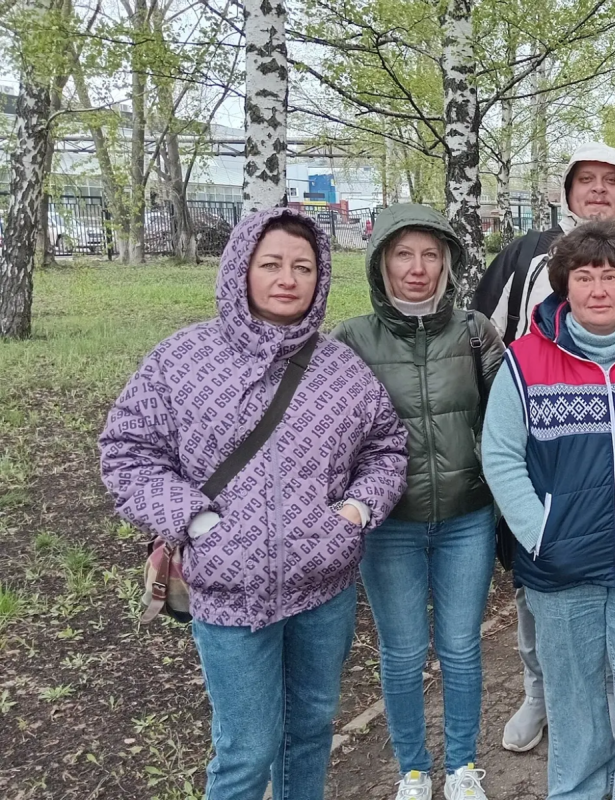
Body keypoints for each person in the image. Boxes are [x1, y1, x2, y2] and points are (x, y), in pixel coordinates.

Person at [99, 208, 408, 800]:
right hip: (228, 594)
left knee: (310, 731)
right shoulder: (181, 360)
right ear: (241, 267)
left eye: (303, 267)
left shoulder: (342, 370)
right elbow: (127, 454)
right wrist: (198, 521)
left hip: (324, 591)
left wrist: (355, 514)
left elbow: (386, 449)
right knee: (247, 749)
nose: (287, 279)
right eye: (271, 264)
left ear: (321, 277)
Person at [472, 141, 615, 751]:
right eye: (587, 179)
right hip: (552, 463)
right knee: (542, 604)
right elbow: (484, 338)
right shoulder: (525, 256)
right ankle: (538, 694)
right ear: (568, 190)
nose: (598, 190)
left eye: (611, 181)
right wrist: (532, 515)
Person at [332, 204, 505, 800]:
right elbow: (330, 435)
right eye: (403, 254)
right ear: (380, 263)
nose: (417, 268)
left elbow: (506, 420)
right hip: (389, 525)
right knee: (403, 654)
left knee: (460, 648)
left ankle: (461, 767)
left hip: (466, 518)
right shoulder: (351, 340)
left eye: (431, 255)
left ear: (448, 264)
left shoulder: (475, 331)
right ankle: (412, 769)